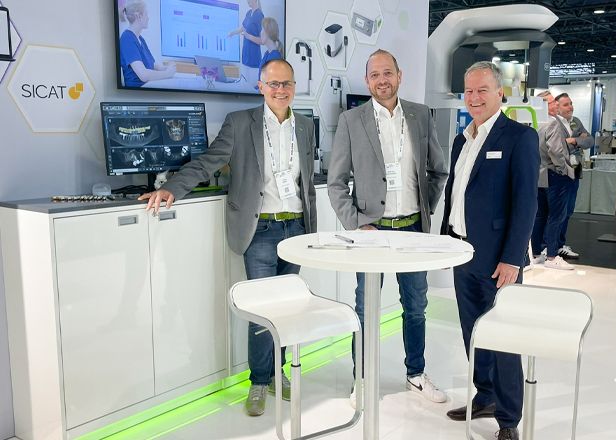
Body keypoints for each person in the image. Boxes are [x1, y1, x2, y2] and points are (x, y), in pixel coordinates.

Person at [139, 59, 317, 417]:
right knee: (263, 311)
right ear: (260, 87)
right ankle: (259, 381)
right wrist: (172, 187)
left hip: (297, 229)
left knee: (287, 308)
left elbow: (306, 180)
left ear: (294, 87)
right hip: (260, 230)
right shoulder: (239, 123)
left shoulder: (305, 126)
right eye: (273, 84)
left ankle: (278, 372)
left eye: (286, 83)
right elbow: (208, 162)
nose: (280, 90)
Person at [327, 49, 449, 405]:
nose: (382, 80)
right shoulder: (351, 120)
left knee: (416, 306)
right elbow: (336, 183)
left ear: (399, 75)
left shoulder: (421, 114)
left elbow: (438, 170)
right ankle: (362, 379)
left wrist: (425, 208)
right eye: (375, 75)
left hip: (412, 230)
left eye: (387, 73)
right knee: (365, 308)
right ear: (367, 81)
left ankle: (416, 374)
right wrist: (357, 224)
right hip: (372, 232)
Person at [441, 61, 538, 440]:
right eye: (469, 91)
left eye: (482, 90)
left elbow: (526, 204)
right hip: (461, 253)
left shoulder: (519, 137)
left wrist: (513, 258)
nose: (474, 98)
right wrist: (445, 242)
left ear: (500, 93)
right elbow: (455, 194)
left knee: (504, 339)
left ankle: (509, 420)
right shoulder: (462, 139)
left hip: (499, 260)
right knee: (473, 332)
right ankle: (485, 396)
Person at [543, 93, 593, 269]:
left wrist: (574, 140)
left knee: (568, 210)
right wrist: (576, 142)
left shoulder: (575, 122)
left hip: (575, 171)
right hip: (559, 172)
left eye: (570, 103)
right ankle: (549, 249)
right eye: (565, 104)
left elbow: (589, 140)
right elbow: (557, 148)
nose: (570, 107)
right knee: (554, 213)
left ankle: (559, 245)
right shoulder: (553, 122)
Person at [118, 0, 176, 87]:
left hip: (148, 85)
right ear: (138, 16)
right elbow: (143, 75)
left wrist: (166, 68)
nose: (148, 18)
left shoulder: (140, 39)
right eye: (146, 14)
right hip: (138, 90)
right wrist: (167, 73)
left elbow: (152, 64)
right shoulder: (127, 39)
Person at [531, 91, 559, 264]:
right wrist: (564, 170)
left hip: (536, 176)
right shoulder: (551, 123)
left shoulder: (530, 121)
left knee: (539, 216)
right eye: (552, 102)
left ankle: (536, 252)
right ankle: (552, 255)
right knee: (556, 216)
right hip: (551, 174)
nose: (555, 104)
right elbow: (556, 151)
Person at [228, 0, 264, 86]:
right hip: (245, 54)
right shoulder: (248, 13)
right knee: (243, 83)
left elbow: (262, 40)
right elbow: (243, 28)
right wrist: (232, 33)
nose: (247, 1)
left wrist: (248, 36)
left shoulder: (259, 15)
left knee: (251, 86)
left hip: (254, 56)